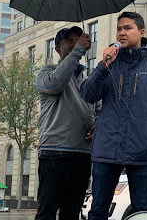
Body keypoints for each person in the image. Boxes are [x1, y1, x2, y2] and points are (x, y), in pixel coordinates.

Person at [81, 12, 147, 220]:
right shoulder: (108, 63)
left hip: (142, 152)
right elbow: (88, 95)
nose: (122, 33)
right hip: (106, 149)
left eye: (127, 28)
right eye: (119, 29)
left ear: (141, 32)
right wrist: (103, 66)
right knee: (98, 210)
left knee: (142, 211)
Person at [35, 26, 99, 220]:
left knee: (71, 213)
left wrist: (97, 127)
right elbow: (55, 84)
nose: (74, 44)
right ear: (57, 49)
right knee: (47, 211)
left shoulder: (88, 80)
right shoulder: (47, 72)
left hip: (81, 155)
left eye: (78, 40)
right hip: (53, 154)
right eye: (69, 41)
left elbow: (98, 111)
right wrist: (78, 50)